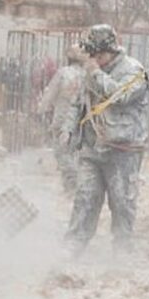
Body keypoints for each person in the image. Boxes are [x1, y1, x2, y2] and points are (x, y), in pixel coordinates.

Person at [61, 24, 149, 253]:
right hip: (92, 148)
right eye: (92, 56)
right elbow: (79, 101)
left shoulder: (133, 71)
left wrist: (95, 73)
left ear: (110, 51)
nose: (95, 60)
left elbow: (117, 97)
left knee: (121, 202)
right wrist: (68, 128)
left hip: (123, 150)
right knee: (85, 197)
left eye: (98, 55)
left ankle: (121, 250)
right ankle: (74, 245)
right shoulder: (92, 71)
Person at [38, 44, 90, 193]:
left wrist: (41, 109)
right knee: (76, 153)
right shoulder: (87, 74)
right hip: (82, 120)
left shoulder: (63, 73)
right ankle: (74, 184)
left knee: (62, 153)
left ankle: (72, 183)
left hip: (62, 119)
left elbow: (50, 94)